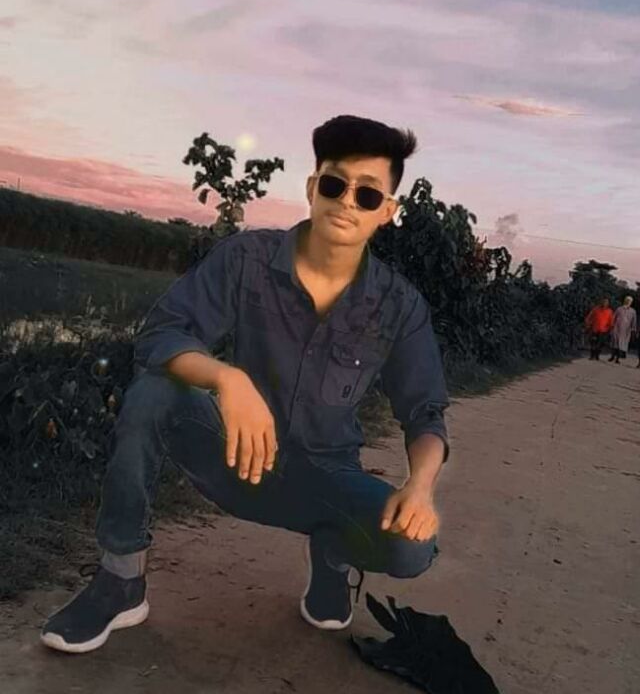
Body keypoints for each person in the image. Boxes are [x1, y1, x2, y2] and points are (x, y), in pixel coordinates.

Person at [41, 115, 450, 653]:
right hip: (235, 457)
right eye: (334, 184)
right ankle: (120, 581)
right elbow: (163, 333)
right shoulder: (247, 259)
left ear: (387, 211)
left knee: (412, 548)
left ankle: (332, 554)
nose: (347, 202)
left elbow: (425, 411)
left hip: (326, 481)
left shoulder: (399, 306)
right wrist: (226, 378)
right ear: (313, 187)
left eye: (367, 194)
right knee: (153, 392)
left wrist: (421, 487)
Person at [609, 296, 637, 364]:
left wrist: (633, 330)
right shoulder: (619, 309)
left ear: (631, 302)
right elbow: (614, 317)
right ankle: (612, 356)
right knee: (615, 343)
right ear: (625, 300)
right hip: (617, 328)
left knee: (621, 345)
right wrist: (612, 325)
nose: (628, 302)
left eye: (629, 301)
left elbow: (634, 321)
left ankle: (617, 359)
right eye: (627, 300)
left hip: (625, 330)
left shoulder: (633, 311)